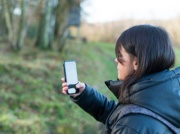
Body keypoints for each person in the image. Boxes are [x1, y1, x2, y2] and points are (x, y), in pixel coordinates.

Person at [61, 24, 180, 133]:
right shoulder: (163, 94)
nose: (116, 60)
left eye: (120, 55)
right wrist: (84, 94)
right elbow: (119, 116)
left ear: (137, 63)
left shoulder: (132, 126)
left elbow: (129, 122)